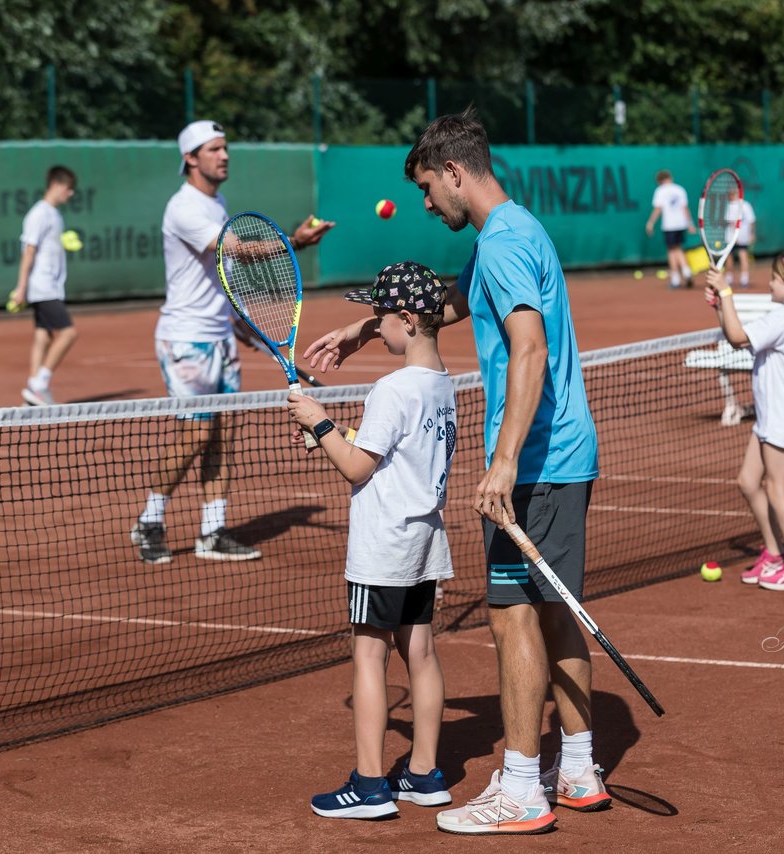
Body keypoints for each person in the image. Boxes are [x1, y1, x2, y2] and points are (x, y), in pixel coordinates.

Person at [304, 108, 606, 835]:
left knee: (513, 618)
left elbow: (528, 351)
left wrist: (502, 464)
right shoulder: (512, 231)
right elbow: (446, 305)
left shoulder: (501, 245)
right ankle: (579, 766)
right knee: (553, 610)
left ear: (454, 174)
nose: (425, 202)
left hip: (537, 462)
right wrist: (367, 326)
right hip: (565, 456)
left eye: (426, 189)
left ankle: (524, 787)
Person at [289, 260, 456, 821]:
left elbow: (358, 468)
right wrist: (337, 434)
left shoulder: (390, 387)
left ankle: (369, 785)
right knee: (422, 654)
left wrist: (318, 422)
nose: (372, 326)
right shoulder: (442, 384)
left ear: (406, 320)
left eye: (378, 316)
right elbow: (396, 450)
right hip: (425, 542)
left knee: (369, 656)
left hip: (383, 545)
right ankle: (425, 775)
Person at [130, 120, 333, 564]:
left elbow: (216, 279)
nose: (224, 156)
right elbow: (235, 251)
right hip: (186, 340)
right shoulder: (184, 207)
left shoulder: (215, 201)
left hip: (219, 335)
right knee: (196, 433)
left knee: (224, 433)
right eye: (214, 149)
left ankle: (212, 530)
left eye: (226, 148)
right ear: (190, 158)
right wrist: (293, 242)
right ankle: (149, 519)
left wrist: (236, 325)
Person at [703, 250, 784, 591]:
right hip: (772, 414)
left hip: (781, 416)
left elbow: (739, 337)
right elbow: (736, 337)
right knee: (748, 481)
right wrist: (719, 305)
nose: (769, 282)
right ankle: (774, 553)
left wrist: (726, 292)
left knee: (775, 489)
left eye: (774, 277)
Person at [11, 165, 79, 406]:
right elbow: (29, 251)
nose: (70, 194)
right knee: (69, 333)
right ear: (57, 186)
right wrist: (22, 288)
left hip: (49, 284)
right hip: (42, 285)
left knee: (43, 336)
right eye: (69, 190)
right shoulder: (39, 213)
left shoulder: (54, 214)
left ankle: (33, 390)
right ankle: (39, 385)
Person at [645, 169, 695, 289]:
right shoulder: (680, 189)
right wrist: (690, 224)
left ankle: (676, 279)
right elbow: (685, 208)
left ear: (660, 181)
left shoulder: (660, 191)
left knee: (671, 251)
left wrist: (650, 223)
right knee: (678, 248)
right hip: (681, 224)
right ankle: (687, 272)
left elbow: (658, 209)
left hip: (670, 225)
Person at [725, 189, 757, 289]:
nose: (730, 195)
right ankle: (729, 279)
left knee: (743, 255)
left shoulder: (745, 205)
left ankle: (744, 279)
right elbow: (727, 223)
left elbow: (752, 221)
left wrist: (751, 234)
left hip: (742, 237)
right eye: (729, 193)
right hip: (730, 238)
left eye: (732, 193)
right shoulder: (727, 206)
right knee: (729, 257)